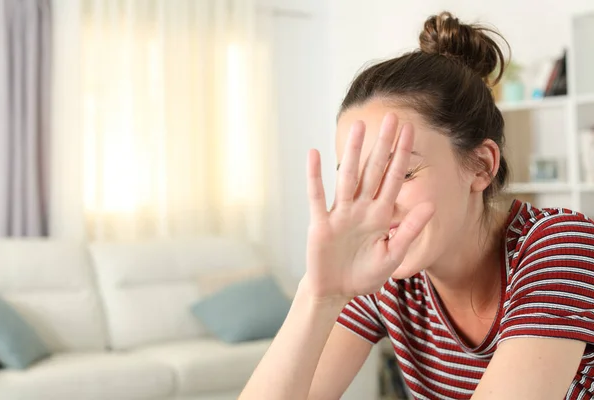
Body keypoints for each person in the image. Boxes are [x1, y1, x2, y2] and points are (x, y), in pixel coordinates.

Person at [240, 11, 594, 400]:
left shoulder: (561, 246)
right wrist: (320, 296)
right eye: (360, 179)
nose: (376, 205)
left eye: (402, 174)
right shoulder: (383, 274)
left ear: (480, 166)